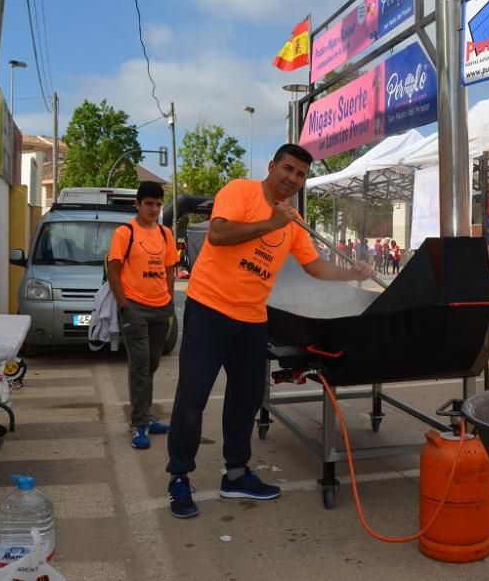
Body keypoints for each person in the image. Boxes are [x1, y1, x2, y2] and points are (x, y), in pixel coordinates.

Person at [165, 144, 373, 519]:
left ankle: (236, 473)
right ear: (272, 165)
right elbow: (218, 235)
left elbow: (315, 267)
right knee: (192, 399)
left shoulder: (293, 222)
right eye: (288, 169)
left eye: (300, 175)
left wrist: (353, 274)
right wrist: (272, 223)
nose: (292, 179)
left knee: (245, 401)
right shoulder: (240, 191)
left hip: (252, 320)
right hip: (209, 310)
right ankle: (179, 476)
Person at [106, 181, 177, 450]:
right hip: (134, 307)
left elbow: (170, 269)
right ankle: (139, 424)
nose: (154, 209)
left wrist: (169, 298)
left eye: (158, 204)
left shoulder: (166, 234)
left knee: (152, 364)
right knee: (140, 366)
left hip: (162, 308)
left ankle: (145, 415)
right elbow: (114, 269)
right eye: (149, 203)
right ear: (137, 204)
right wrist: (124, 304)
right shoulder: (125, 233)